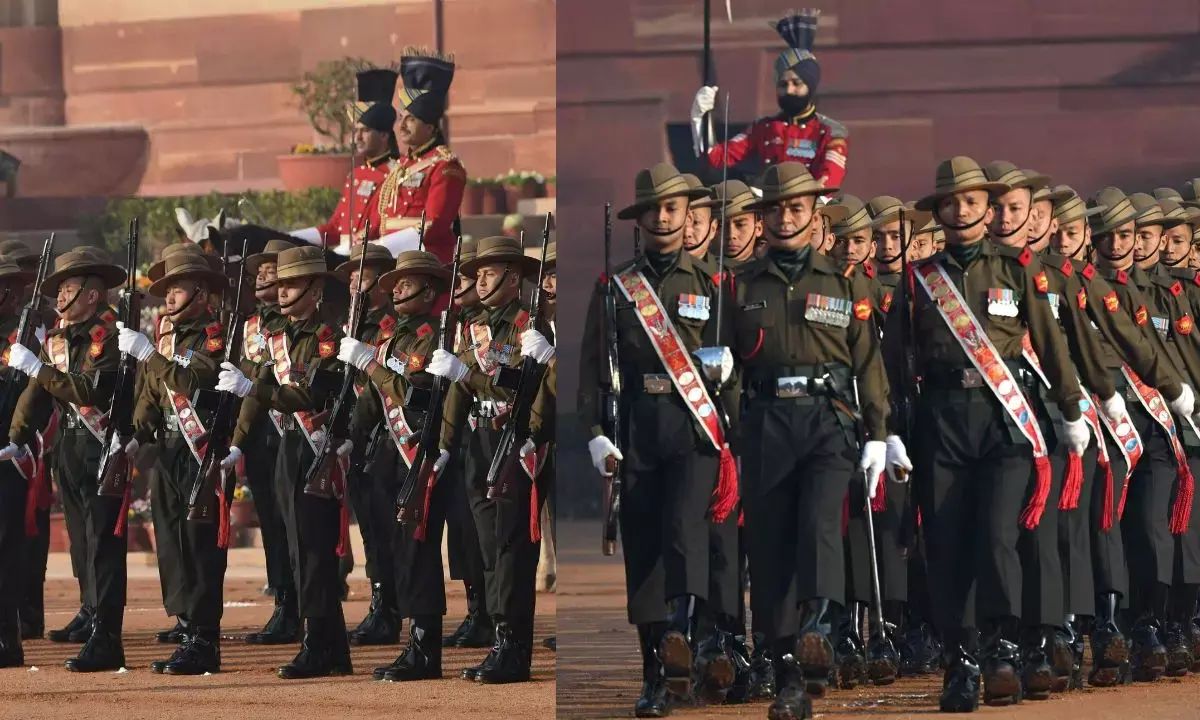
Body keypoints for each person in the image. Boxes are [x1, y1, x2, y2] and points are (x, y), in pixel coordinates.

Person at [884, 157, 1087, 711]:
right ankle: (962, 660)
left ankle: (1001, 650)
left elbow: (1049, 341)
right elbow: (894, 362)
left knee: (997, 537)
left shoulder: (1017, 268)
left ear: (986, 207)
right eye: (950, 203)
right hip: (941, 422)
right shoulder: (921, 279)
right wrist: (890, 429)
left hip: (1004, 423)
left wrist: (1071, 411)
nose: (961, 210)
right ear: (941, 212)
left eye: (971, 201)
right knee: (947, 545)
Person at [578, 162, 727, 716]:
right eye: (654, 211)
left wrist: (728, 390)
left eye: (673, 209)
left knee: (685, 537)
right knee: (642, 552)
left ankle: (681, 648)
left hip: (694, 434)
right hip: (636, 429)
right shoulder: (615, 288)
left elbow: (737, 359)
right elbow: (594, 368)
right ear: (639, 220)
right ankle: (654, 675)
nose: (664, 219)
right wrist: (595, 432)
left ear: (690, 216)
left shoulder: (713, 283)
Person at [219, 246, 348, 679]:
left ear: (314, 289)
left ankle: (319, 644)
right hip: (287, 449)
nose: (282, 290)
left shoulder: (326, 336)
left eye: (292, 284)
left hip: (315, 449)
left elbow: (308, 395)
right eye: (282, 283)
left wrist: (252, 389)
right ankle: (331, 646)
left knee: (314, 551)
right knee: (297, 548)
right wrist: (238, 443)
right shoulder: (279, 335)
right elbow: (258, 394)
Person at [432, 236, 552, 685]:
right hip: (478, 444)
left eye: (487, 272)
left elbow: (532, 389)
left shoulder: (531, 327)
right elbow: (458, 393)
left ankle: (514, 647)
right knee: (487, 549)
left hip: (514, 443)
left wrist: (476, 376)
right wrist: (444, 445)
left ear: (513, 277)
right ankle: (501, 638)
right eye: (476, 273)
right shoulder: (474, 327)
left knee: (511, 548)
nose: (478, 280)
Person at [3, 247, 127, 672]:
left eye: (68, 289)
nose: (59, 298)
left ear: (92, 296)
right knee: (82, 541)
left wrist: (38, 369)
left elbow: (89, 392)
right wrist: (17, 437)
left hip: (102, 446)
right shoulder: (59, 338)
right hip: (71, 452)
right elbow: (38, 398)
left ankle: (108, 637)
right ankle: (92, 618)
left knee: (104, 546)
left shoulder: (109, 337)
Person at [118, 248, 230, 674]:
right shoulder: (165, 338)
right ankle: (186, 627)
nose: (167, 297)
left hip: (200, 450)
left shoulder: (214, 335)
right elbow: (151, 395)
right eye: (165, 290)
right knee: (170, 542)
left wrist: (151, 356)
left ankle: (205, 639)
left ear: (201, 293)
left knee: (200, 546)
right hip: (167, 448)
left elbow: (192, 381)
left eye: (177, 288)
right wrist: (136, 435)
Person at [339, 250, 449, 681]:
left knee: (418, 549)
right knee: (394, 547)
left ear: (430, 289)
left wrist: (371, 363)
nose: (397, 287)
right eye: (396, 281)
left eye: (408, 281)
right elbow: (372, 398)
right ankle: (408, 638)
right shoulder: (392, 336)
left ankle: (425, 647)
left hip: (418, 451)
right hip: (387, 454)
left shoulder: (433, 335)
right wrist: (348, 434)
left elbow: (412, 392)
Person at [333, 243, 403, 647]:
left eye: (364, 276)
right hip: (356, 441)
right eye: (353, 278)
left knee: (384, 530)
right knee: (370, 531)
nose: (356, 285)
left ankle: (389, 610)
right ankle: (380, 603)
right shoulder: (352, 327)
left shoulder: (391, 329)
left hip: (384, 438)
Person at [693, 10, 848, 188]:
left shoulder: (830, 132)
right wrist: (699, 116)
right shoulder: (764, 128)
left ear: (810, 88)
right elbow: (716, 158)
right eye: (783, 84)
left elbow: (829, 180)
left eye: (796, 83)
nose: (789, 90)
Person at [237, 238, 302, 645]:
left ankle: (303, 605)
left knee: (297, 525)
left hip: (294, 430)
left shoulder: (299, 324)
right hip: (261, 433)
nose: (262, 275)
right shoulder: (249, 326)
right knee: (272, 525)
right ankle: (283, 600)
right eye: (258, 271)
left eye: (271, 269)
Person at [440, 238, 494, 650]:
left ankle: (492, 614)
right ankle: (476, 608)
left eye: (468, 277)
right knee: (462, 532)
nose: (460, 284)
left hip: (491, 436)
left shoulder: (499, 327)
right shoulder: (456, 325)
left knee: (485, 534)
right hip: (459, 438)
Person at [0, 240, 52, 643]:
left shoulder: (27, 333)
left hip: (14, 451)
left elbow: (38, 395)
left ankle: (13, 630)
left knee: (13, 544)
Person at [371, 48, 467, 263]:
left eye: (411, 119)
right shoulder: (401, 165)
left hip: (426, 263)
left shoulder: (445, 166)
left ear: (431, 127)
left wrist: (384, 247)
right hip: (392, 259)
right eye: (401, 118)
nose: (402, 125)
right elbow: (382, 218)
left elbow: (435, 223)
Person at [292, 70, 400, 254]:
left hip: (372, 260)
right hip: (347, 259)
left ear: (383, 135)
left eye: (364, 131)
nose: (357, 137)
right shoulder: (356, 174)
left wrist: (339, 254)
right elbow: (334, 228)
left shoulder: (396, 174)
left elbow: (377, 229)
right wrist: (289, 237)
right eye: (355, 130)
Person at [0, 257, 37, 667]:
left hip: (6, 449)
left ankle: (6, 639)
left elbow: (32, 393)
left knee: (5, 550)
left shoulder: (21, 337)